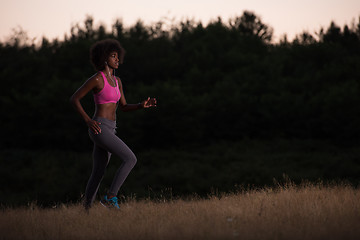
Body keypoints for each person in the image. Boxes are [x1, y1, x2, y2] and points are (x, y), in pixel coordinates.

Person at [70, 39, 156, 210]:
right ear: (103, 58)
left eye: (118, 56)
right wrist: (88, 120)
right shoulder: (97, 79)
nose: (117, 60)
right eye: (113, 56)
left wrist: (140, 105)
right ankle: (110, 197)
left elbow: (123, 107)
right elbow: (74, 99)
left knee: (98, 172)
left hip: (111, 128)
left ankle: (85, 211)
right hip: (99, 127)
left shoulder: (118, 81)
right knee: (130, 158)